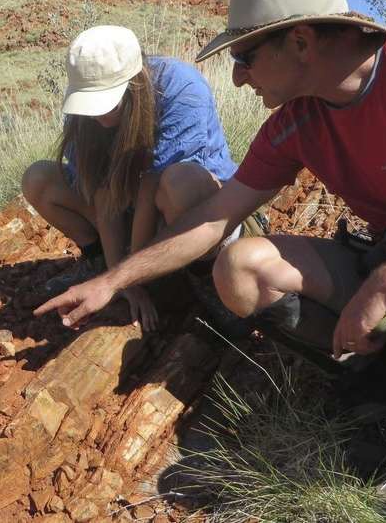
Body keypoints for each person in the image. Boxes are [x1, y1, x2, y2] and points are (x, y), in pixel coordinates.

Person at [36, 0, 386, 475]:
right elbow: (215, 218)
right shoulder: (296, 122)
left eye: (245, 58)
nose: (237, 77)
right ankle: (381, 380)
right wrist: (112, 280)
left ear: (299, 42)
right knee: (242, 268)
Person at [22, 25, 239, 332]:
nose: (98, 117)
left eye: (107, 103)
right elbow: (103, 193)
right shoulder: (82, 117)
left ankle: (205, 274)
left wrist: (129, 275)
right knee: (38, 179)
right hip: (130, 210)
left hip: (189, 212)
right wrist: (117, 277)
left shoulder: (181, 89)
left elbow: (152, 187)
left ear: (133, 83)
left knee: (179, 183)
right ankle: (96, 259)